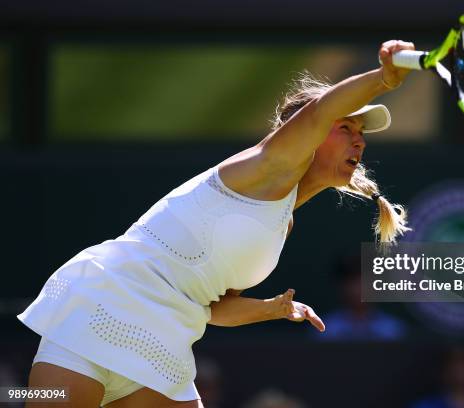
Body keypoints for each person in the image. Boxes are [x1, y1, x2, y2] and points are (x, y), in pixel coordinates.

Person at [17, 40, 413, 407]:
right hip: (104, 307)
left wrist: (270, 310)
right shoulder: (264, 167)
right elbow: (321, 110)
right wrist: (383, 79)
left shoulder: (282, 223)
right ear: (304, 136)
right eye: (346, 128)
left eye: (361, 133)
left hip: (163, 341)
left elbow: (212, 307)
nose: (359, 142)